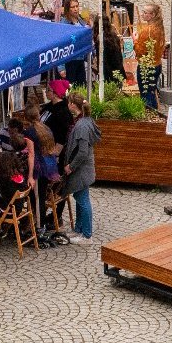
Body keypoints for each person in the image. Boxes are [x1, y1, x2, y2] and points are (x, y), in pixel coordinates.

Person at [60, 90, 100, 240]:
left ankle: (86, 233)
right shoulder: (83, 120)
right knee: (79, 196)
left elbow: (82, 152)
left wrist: (71, 166)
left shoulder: (82, 125)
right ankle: (79, 228)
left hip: (81, 169)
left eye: (68, 102)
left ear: (72, 105)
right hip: (82, 168)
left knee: (83, 199)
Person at [134, 3, 168, 113]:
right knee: (152, 91)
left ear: (152, 15)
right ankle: (155, 113)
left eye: (145, 12)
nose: (142, 14)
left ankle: (149, 116)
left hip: (146, 67)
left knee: (145, 94)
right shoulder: (159, 28)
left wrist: (134, 40)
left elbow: (140, 52)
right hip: (157, 65)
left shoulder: (146, 31)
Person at [63, 0, 91, 87]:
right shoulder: (64, 24)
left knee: (81, 86)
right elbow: (61, 45)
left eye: (77, 6)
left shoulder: (81, 21)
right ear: (68, 9)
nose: (75, 9)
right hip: (70, 60)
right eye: (72, 7)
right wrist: (61, 67)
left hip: (81, 58)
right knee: (71, 87)